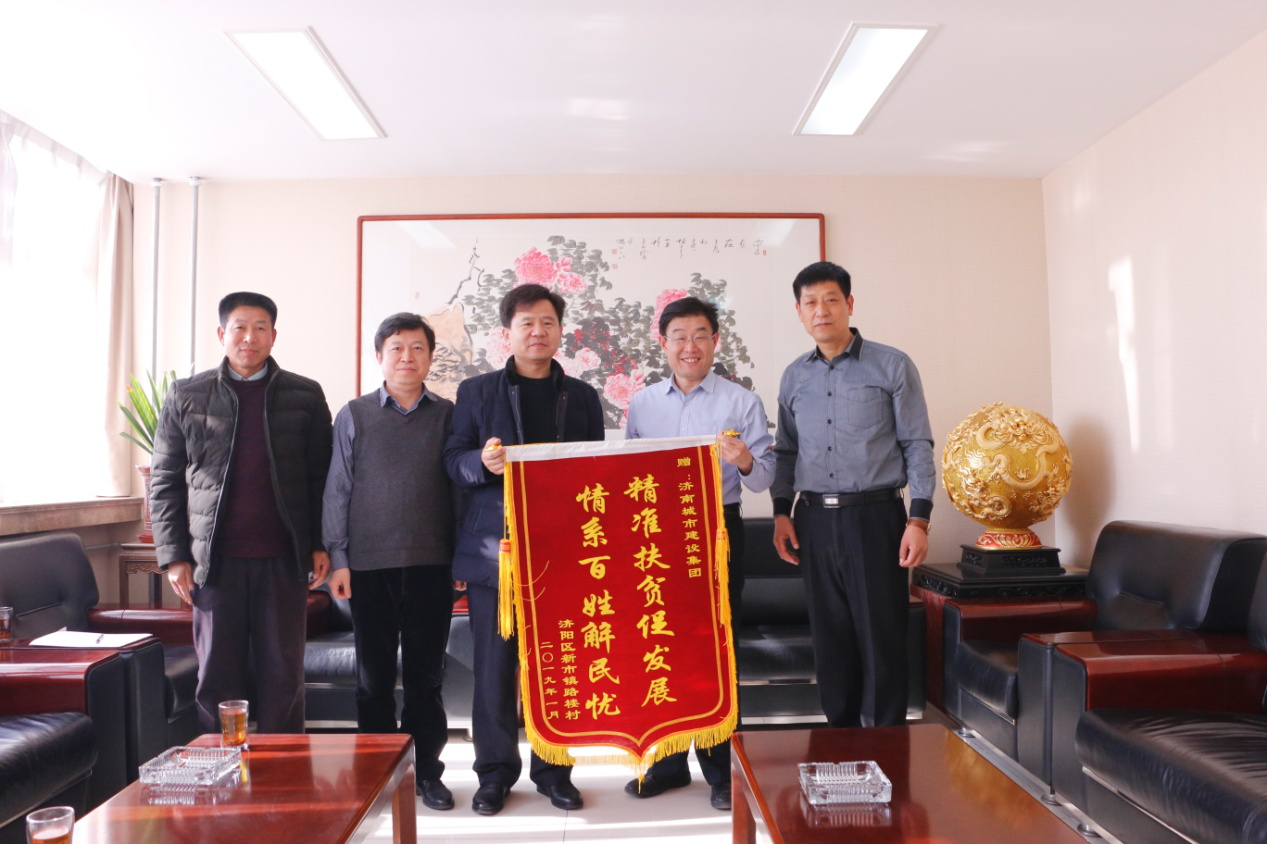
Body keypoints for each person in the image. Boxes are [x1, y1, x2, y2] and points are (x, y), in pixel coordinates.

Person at [444, 283, 605, 815]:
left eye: (547, 322)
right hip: (497, 555)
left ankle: (555, 773)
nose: (538, 332)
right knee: (494, 670)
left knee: (558, 667)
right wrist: (481, 463)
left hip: (562, 553)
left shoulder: (581, 396)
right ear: (507, 332)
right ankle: (494, 776)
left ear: (560, 330)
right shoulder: (476, 392)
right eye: (527, 323)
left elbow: (596, 471)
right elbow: (453, 459)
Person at [150, 291, 333, 734]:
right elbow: (165, 479)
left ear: (273, 336)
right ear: (222, 334)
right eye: (240, 327)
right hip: (215, 564)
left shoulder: (305, 395)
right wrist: (174, 556)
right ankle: (221, 768)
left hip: (283, 561)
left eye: (260, 328)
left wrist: (321, 544)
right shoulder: (187, 395)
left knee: (283, 678)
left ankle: (282, 768)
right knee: (216, 676)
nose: (249, 337)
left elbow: (323, 479)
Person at [622, 296, 774, 811]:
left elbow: (764, 480)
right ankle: (666, 765)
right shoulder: (643, 404)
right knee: (660, 642)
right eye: (680, 336)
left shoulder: (742, 401)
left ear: (715, 341)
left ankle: (721, 768)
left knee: (716, 647)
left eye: (700, 335)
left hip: (718, 529)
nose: (690, 346)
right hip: (655, 534)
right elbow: (626, 475)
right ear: (663, 343)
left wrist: (745, 458)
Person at [770, 262, 934, 728]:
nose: (821, 311)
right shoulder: (794, 376)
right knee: (831, 640)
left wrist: (918, 519)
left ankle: (885, 746)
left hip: (876, 518)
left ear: (849, 304)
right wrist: (781, 513)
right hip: (814, 521)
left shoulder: (892, 364)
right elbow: (786, 450)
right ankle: (839, 741)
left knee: (881, 637)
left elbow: (917, 444)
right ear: (799, 311)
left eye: (831, 300)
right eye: (810, 302)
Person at [322, 313, 457, 811]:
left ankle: (426, 773)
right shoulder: (354, 414)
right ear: (379, 356)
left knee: (426, 679)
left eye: (417, 348)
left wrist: (461, 558)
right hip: (368, 566)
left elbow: (459, 491)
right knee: (373, 680)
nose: (407, 357)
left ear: (430, 357)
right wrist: (338, 558)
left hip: (432, 564)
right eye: (396, 348)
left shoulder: (448, 415)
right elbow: (337, 489)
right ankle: (377, 773)